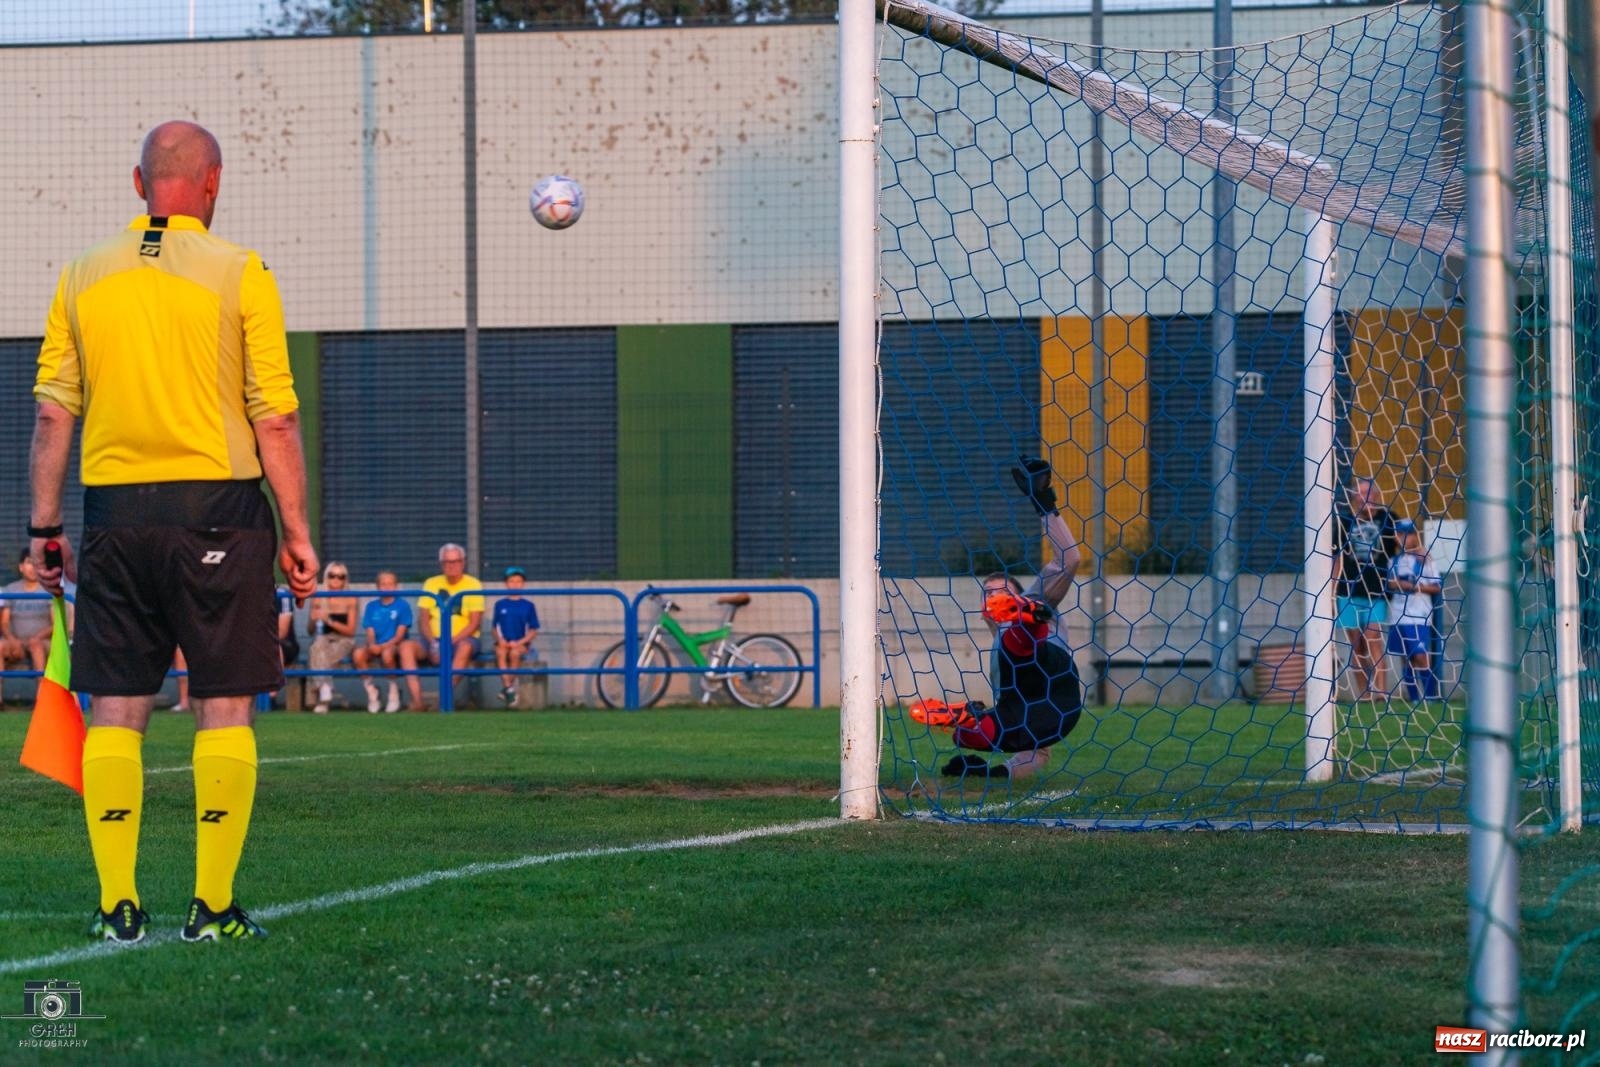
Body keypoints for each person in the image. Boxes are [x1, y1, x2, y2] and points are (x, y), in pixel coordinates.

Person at [29, 120, 318, 944]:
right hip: (219, 511)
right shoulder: (241, 271)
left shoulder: (81, 274)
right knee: (223, 707)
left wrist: (44, 528)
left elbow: (54, 413)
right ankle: (213, 907)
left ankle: (117, 905)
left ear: (138, 182)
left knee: (115, 709)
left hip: (113, 516)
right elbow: (279, 417)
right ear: (214, 182)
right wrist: (297, 533)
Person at [909, 458, 1084, 780]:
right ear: (982, 609)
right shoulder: (997, 657)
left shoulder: (1040, 600)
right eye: (989, 594)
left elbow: (1069, 559)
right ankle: (965, 719)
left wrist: (1042, 499)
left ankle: (1027, 620)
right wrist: (993, 774)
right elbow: (1037, 753)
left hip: (1055, 680)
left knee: (1023, 629)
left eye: (1003, 593)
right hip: (1043, 717)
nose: (994, 597)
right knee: (971, 735)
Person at [1334, 476, 1399, 697]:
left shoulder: (1388, 519)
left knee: (1374, 638)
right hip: (1348, 591)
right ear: (1354, 498)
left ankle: (1380, 690)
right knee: (1357, 645)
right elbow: (1337, 557)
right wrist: (1331, 589)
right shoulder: (1344, 522)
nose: (1367, 498)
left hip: (1377, 591)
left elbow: (1403, 545)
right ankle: (1364, 693)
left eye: (1371, 494)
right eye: (1362, 494)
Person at [399, 543, 484, 710]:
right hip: (432, 640)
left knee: (466, 647)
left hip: (461, 639)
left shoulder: (473, 584)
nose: (451, 566)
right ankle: (418, 702)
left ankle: (441, 700)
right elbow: (423, 619)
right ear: (441, 564)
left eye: (455, 561)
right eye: (447, 562)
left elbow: (474, 622)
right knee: (405, 647)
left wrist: (449, 641)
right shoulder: (431, 583)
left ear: (463, 562)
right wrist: (434, 643)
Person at [1386, 519, 1442, 702]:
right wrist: (1394, 585)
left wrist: (1412, 586)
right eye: (1398, 534)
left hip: (1418, 614)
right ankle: (1414, 698)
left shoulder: (1425, 559)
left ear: (1414, 536)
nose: (1401, 538)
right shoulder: (1393, 561)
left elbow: (1436, 587)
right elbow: (1390, 584)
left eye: (1405, 534)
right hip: (1397, 614)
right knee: (1405, 657)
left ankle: (1431, 695)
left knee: (1420, 655)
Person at [354, 570, 412, 713]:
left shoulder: (403, 605)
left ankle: (393, 692)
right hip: (376, 645)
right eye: (383, 584)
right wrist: (373, 644)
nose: (387, 587)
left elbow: (400, 634)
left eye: (390, 584)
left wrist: (384, 646)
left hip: (394, 645)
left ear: (396, 586)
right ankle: (372, 692)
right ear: (378, 586)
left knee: (387, 654)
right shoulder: (371, 606)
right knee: (358, 655)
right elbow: (369, 630)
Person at [2, 548, 59, 690]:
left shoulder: (49, 590)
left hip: (43, 642)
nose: (33, 568)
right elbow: (4, 623)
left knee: (35, 644)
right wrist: (12, 639)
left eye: (37, 564)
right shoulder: (10, 589)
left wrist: (36, 637)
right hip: (17, 642)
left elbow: (55, 624)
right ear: (21, 567)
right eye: (29, 563)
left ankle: (41, 694)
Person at [307, 561, 358, 713]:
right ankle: (325, 691)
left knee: (316, 653)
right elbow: (310, 631)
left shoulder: (351, 599)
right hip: (322, 640)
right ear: (326, 577)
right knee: (318, 645)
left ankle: (322, 693)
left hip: (343, 640)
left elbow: (350, 631)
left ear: (345, 579)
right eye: (332, 576)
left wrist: (328, 619)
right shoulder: (318, 596)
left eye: (341, 577)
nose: (336, 580)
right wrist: (313, 618)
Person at [493, 566, 540, 707]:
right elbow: (494, 628)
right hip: (503, 643)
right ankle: (510, 688)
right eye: (511, 581)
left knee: (514, 653)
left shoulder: (528, 606)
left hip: (520, 644)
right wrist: (500, 640)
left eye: (518, 581)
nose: (515, 584)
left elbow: (533, 630)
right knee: (500, 652)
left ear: (523, 583)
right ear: (506, 583)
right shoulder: (500, 604)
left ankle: (507, 688)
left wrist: (520, 642)